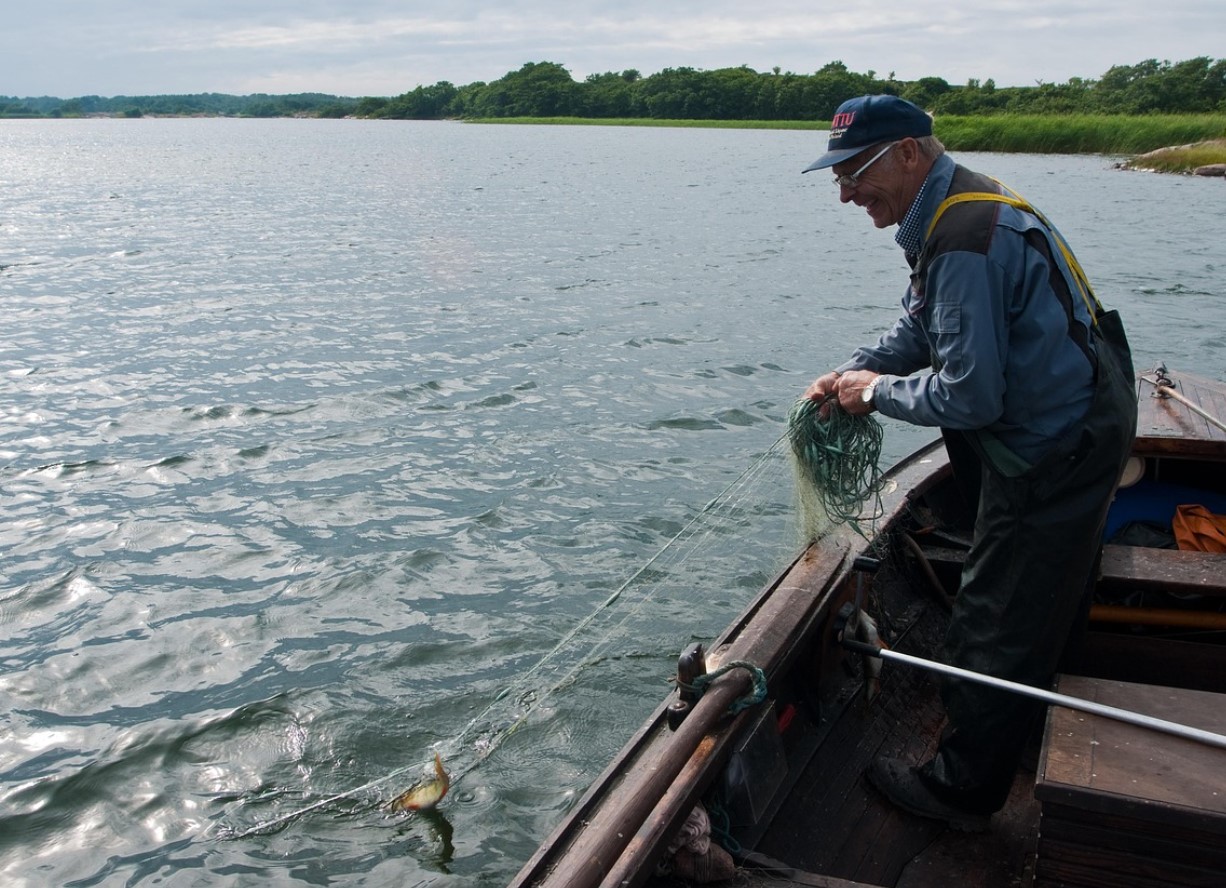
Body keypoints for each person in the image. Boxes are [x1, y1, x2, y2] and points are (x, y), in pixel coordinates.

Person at [801, 95, 1138, 830]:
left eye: (856, 170)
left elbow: (970, 395)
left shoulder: (963, 237)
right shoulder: (961, 204)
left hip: (1055, 444)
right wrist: (856, 369)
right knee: (1051, 589)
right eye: (838, 174)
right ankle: (1035, 722)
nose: (845, 191)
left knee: (994, 613)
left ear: (911, 154)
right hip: (1092, 414)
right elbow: (925, 323)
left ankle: (962, 789)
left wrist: (875, 394)